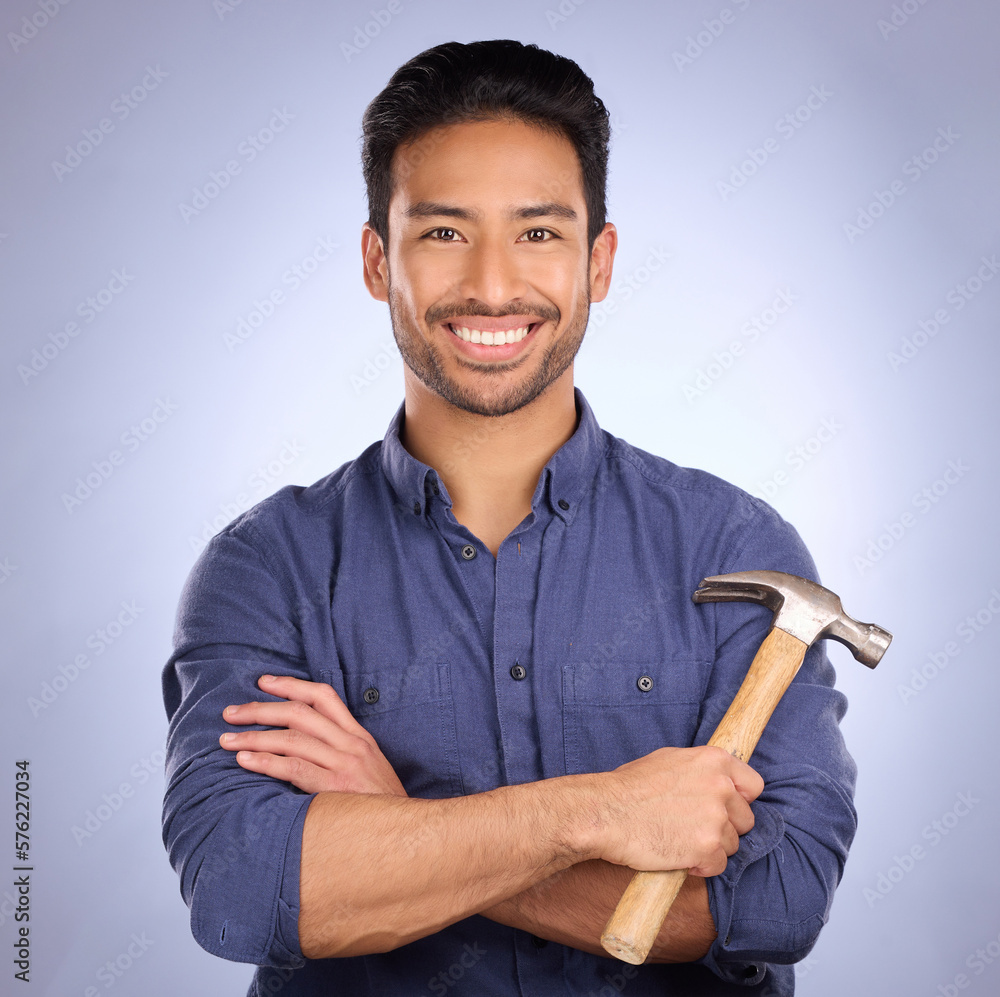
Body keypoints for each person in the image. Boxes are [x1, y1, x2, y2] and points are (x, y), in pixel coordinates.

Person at [161, 39, 857, 996]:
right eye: (443, 233)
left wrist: (395, 819)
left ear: (598, 261)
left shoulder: (733, 546)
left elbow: (776, 903)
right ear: (377, 260)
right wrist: (596, 812)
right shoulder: (266, 568)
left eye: (538, 233)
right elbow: (244, 890)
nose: (492, 285)